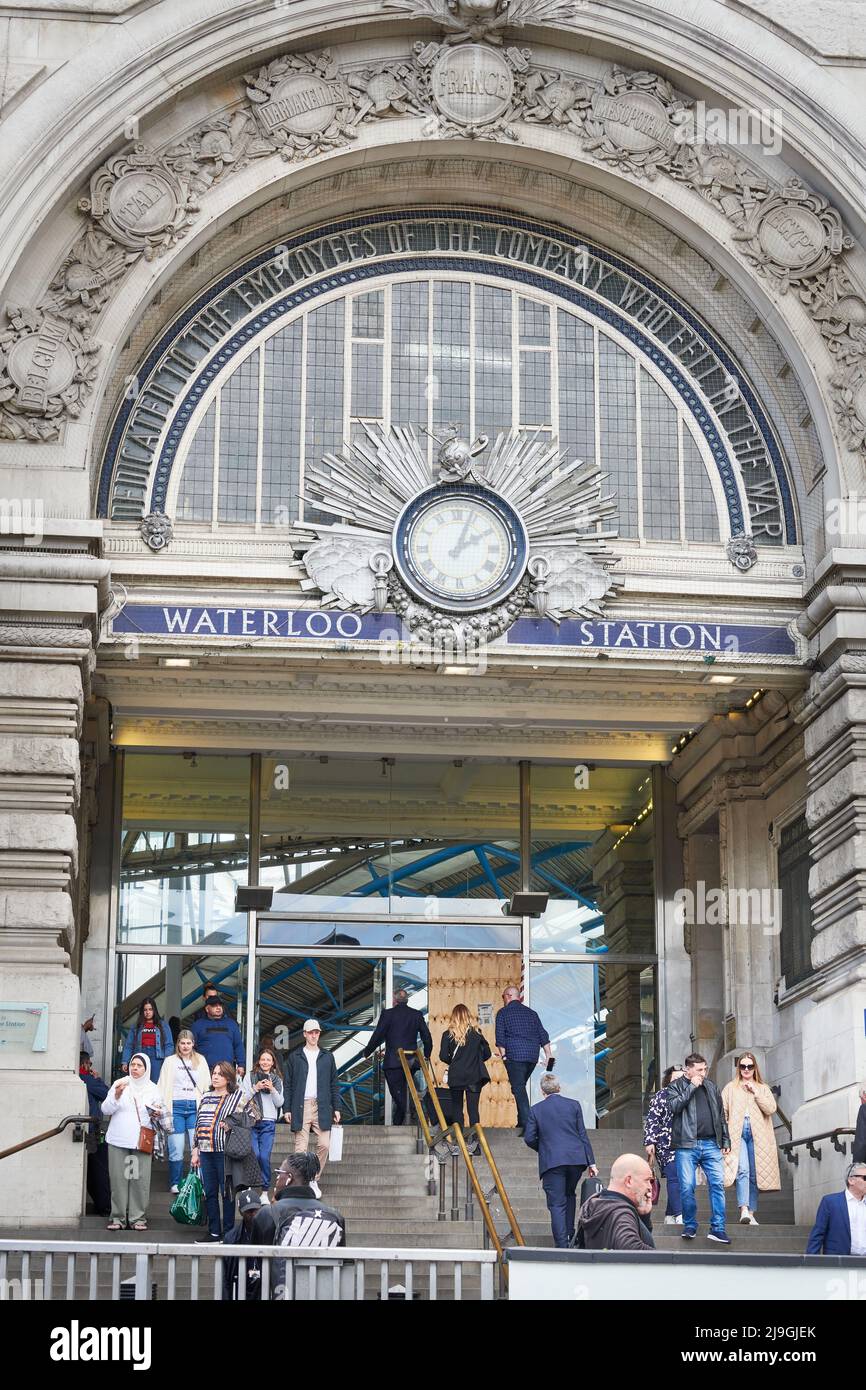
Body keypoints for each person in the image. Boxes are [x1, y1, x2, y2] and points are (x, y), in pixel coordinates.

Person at [523, 1072, 598, 1248]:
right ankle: (571, 1235)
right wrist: (591, 1162)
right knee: (569, 1195)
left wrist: (543, 1148)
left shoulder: (536, 1110)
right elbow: (582, 1135)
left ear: (542, 1091)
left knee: (557, 1204)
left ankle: (562, 1245)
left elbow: (529, 1138)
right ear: (559, 1088)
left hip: (552, 1161)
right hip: (575, 1159)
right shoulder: (574, 1105)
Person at [667, 1052, 732, 1244]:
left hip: (712, 1143)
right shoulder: (676, 1086)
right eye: (699, 1070)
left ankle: (718, 1228)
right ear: (688, 1070)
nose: (703, 1073)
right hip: (687, 1145)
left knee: (717, 1185)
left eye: (705, 1069)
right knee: (687, 1187)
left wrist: (726, 1141)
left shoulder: (712, 1086)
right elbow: (674, 1107)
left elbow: (721, 1116)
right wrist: (692, 1087)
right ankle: (690, 1225)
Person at [264, 1153, 347, 1298]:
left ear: (289, 1178)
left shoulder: (269, 1213)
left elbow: (257, 1261)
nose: (277, 1178)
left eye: (279, 1173)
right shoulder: (335, 1216)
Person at [101, 1052, 164, 1231]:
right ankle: (118, 1218)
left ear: (146, 1069)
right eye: (132, 1065)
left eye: (139, 1066)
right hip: (118, 1140)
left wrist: (157, 1112)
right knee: (118, 1181)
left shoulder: (153, 1088)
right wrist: (117, 1095)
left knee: (139, 1180)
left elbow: (159, 1110)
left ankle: (138, 1218)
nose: (134, 1068)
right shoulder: (120, 1084)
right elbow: (105, 1109)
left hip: (140, 1142)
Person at [721, 1051, 780, 1226]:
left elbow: (771, 1109)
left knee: (756, 1173)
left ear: (755, 1068)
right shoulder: (730, 1087)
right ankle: (744, 1209)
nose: (746, 1069)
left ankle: (752, 1212)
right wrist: (724, 1138)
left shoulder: (762, 1088)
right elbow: (722, 1113)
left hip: (759, 1135)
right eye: (743, 1066)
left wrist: (756, 1092)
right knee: (743, 1169)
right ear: (738, 1068)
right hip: (737, 1133)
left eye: (750, 1066)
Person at [191, 1060, 246, 1241]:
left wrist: (231, 1123)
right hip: (205, 1151)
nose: (215, 1076)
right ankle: (214, 1232)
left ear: (229, 1078)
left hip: (225, 1151)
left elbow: (254, 1115)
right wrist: (195, 1150)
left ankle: (229, 1232)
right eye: (214, 1073)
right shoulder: (206, 1096)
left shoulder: (237, 1096)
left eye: (220, 1074)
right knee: (210, 1192)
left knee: (227, 1192)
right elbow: (198, 1123)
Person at [362, 988, 433, 1125]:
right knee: (404, 1092)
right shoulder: (416, 1015)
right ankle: (398, 1123)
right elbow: (427, 1037)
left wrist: (367, 1052)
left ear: (394, 1000)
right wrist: (427, 1055)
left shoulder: (388, 1014)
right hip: (411, 1061)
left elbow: (378, 1035)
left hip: (393, 1062)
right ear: (406, 1000)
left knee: (399, 1094)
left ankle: (413, 1111)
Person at [283, 1020, 341, 1184]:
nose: (314, 1035)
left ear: (319, 1034)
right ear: (304, 1034)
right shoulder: (295, 1057)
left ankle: (313, 1179)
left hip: (322, 1105)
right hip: (301, 1105)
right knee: (300, 1150)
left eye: (316, 1032)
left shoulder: (327, 1056)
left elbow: (334, 1084)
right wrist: (287, 1108)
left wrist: (337, 1107)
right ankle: (302, 1182)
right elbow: (288, 1084)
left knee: (324, 1145)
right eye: (310, 1032)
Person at [157, 1028, 211, 1192]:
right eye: (182, 1043)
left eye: (188, 1043)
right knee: (176, 1148)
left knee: (199, 1147)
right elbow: (161, 1085)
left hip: (195, 1107)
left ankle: (198, 1182)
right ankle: (176, 1183)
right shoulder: (169, 1061)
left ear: (193, 1044)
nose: (186, 1046)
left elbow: (208, 1085)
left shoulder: (201, 1060)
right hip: (176, 1107)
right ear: (178, 1044)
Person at [494, 985, 551, 1135]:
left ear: (507, 996)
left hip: (515, 1056)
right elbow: (543, 1035)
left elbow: (500, 1039)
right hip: (532, 1057)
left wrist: (505, 1057)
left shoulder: (503, 1013)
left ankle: (528, 1125)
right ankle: (521, 1122)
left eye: (503, 997)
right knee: (519, 1086)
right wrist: (548, 1055)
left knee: (518, 1088)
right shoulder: (532, 1013)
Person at [576, 1154, 656, 1250]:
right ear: (629, 1181)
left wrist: (643, 1217)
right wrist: (665, 1261)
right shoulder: (621, 1214)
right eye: (647, 1180)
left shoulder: (596, 1204)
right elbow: (631, 1249)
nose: (650, 1187)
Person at [439, 1003, 491, 1138]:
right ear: (468, 1016)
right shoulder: (477, 1033)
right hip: (474, 1076)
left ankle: (458, 1140)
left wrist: (455, 1062)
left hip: (456, 1076)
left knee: (457, 1108)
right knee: (473, 1110)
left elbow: (443, 1056)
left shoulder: (447, 1034)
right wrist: (475, 1060)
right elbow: (487, 1054)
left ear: (454, 1017)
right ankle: (476, 1143)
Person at [644, 1064, 684, 1225]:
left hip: (685, 1144)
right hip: (665, 1144)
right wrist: (650, 1141)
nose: (678, 1081)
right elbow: (652, 1119)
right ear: (668, 1080)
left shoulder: (689, 1095)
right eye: (675, 1078)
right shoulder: (661, 1095)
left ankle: (669, 1214)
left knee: (681, 1178)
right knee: (674, 1177)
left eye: (682, 1078)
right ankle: (680, 1214)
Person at [242, 1046, 285, 1190]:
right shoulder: (250, 1076)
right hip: (252, 1120)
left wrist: (272, 1089)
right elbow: (242, 1099)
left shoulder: (277, 1080)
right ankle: (251, 1185)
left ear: (273, 1062)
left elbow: (280, 1103)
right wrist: (256, 1088)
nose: (265, 1062)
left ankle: (265, 1189)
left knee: (264, 1157)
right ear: (258, 1061)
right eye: (263, 1059)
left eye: (268, 1060)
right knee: (254, 1154)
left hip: (268, 1122)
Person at [806, 1162, 866, 1255]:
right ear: (851, 1180)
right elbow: (818, 1234)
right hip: (839, 1262)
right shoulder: (830, 1202)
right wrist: (810, 1263)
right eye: (865, 1178)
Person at [79, 1052, 110, 1217]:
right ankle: (104, 1206)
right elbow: (107, 1094)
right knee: (99, 1170)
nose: (91, 1067)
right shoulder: (88, 1081)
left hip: (81, 1129)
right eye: (89, 1064)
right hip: (93, 1132)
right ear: (84, 1065)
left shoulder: (78, 1079)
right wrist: (97, 1078)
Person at [222, 1188, 264, 1301]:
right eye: (249, 1211)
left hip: (262, 1287)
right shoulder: (231, 1238)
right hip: (241, 1285)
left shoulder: (268, 1231)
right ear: (241, 1212)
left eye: (256, 1210)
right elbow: (225, 1277)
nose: (253, 1214)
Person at [121, 997, 173, 1082]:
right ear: (142, 1011)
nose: (148, 1012)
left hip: (157, 1058)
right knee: (138, 1082)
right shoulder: (136, 1026)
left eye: (150, 1009)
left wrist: (167, 1060)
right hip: (140, 1056)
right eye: (145, 1010)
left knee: (154, 1083)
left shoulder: (163, 1025)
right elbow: (129, 1045)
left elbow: (169, 1044)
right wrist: (125, 1061)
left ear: (154, 1010)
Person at [191, 995, 246, 1076]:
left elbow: (238, 1045)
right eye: (214, 1005)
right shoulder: (197, 1025)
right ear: (207, 1009)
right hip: (204, 1069)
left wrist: (241, 1064)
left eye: (220, 1005)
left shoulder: (231, 1024)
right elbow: (191, 1047)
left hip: (226, 1069)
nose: (218, 1007)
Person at [854, 1084, 866, 1164]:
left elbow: (861, 1141)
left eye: (860, 1099)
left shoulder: (864, 1109)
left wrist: (857, 1163)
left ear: (865, 1096)